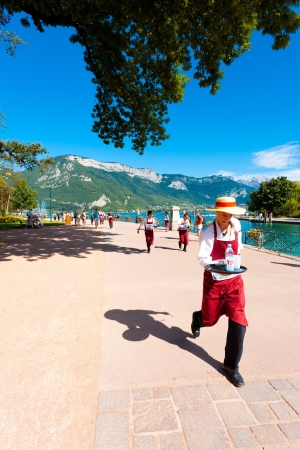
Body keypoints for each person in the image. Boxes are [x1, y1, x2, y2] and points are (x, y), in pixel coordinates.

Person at [191, 196, 247, 387]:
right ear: (216, 213)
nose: (227, 217)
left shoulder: (237, 224)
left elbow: (239, 248)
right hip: (214, 282)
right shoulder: (208, 232)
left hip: (234, 282)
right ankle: (198, 318)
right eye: (223, 213)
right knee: (210, 319)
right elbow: (202, 258)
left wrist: (235, 263)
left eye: (230, 213)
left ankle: (232, 366)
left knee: (239, 320)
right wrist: (219, 266)